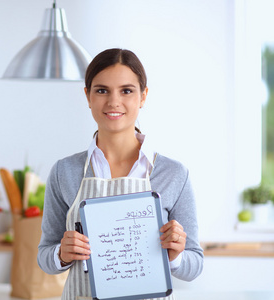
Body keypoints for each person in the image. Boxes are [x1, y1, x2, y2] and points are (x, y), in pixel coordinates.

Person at [37, 48, 203, 300]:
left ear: (143, 96)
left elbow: (195, 265)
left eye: (126, 90)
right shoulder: (64, 171)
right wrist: (61, 254)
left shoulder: (173, 174)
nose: (113, 102)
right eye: (101, 90)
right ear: (88, 96)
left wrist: (176, 256)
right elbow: (44, 256)